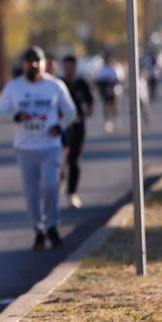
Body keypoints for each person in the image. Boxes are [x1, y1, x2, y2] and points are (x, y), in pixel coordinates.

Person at [0, 46, 77, 251]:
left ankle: (52, 226)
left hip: (50, 146)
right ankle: (38, 230)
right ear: (23, 64)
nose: (33, 65)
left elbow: (70, 112)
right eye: (29, 61)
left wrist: (59, 126)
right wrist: (15, 117)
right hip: (25, 148)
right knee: (32, 192)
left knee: (51, 186)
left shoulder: (55, 86)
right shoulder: (13, 87)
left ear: (43, 63)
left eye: (37, 61)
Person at [60, 55, 94, 209]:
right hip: (61, 128)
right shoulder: (59, 84)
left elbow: (90, 102)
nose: (68, 70)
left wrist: (87, 112)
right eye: (66, 67)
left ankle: (72, 193)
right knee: (60, 161)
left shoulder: (81, 84)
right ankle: (57, 188)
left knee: (75, 160)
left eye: (71, 67)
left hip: (78, 126)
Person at [93, 54, 125, 133]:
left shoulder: (116, 68)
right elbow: (98, 79)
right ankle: (107, 122)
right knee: (106, 107)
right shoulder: (102, 69)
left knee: (115, 106)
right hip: (105, 91)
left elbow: (120, 78)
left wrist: (111, 83)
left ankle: (116, 119)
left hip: (115, 90)